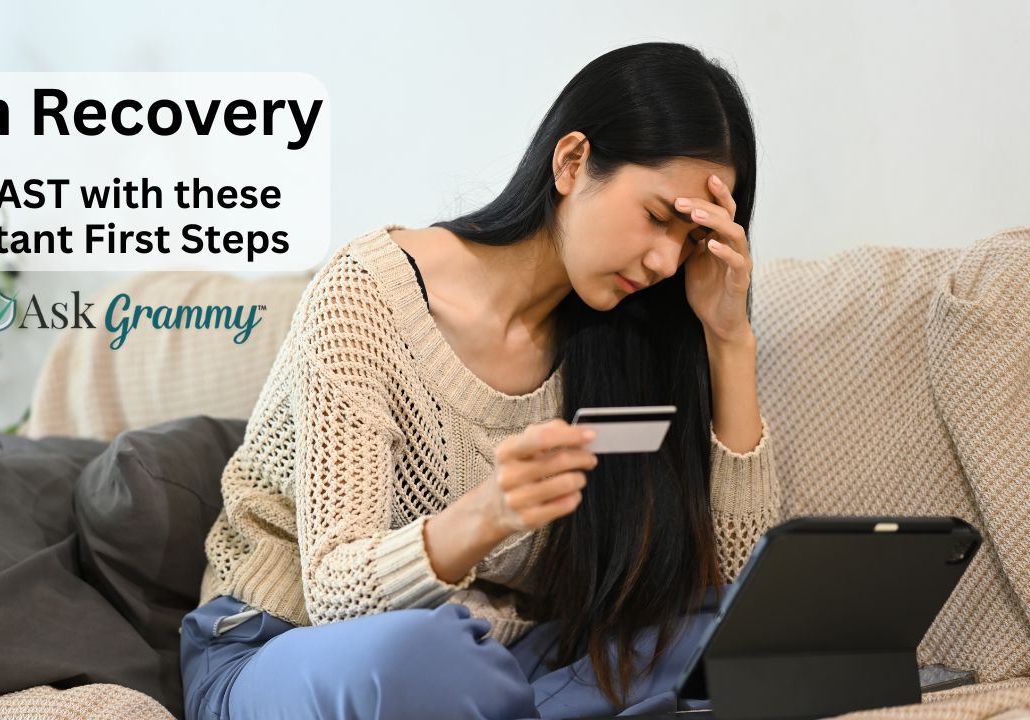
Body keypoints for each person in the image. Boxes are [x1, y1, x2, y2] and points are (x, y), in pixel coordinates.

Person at [181, 41, 780, 720]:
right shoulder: (368, 295)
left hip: (503, 665)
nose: (666, 260)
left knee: (741, 635)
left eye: (691, 240)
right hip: (283, 649)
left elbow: (736, 580)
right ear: (573, 161)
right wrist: (490, 513)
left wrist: (729, 339)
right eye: (657, 218)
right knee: (424, 655)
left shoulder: (629, 337)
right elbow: (333, 595)